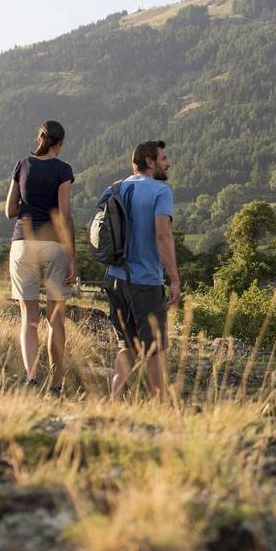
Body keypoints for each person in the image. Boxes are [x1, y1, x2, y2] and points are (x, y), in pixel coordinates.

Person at [100, 140, 178, 400]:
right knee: (155, 348)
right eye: (163, 158)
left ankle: (115, 401)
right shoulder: (160, 191)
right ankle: (159, 406)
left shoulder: (114, 188)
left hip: (114, 278)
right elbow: (162, 236)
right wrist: (174, 279)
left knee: (127, 345)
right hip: (145, 281)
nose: (167, 163)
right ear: (149, 162)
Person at [5, 120, 77, 394]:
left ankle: (31, 377)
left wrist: (28, 204)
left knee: (29, 318)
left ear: (39, 139)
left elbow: (10, 211)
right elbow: (64, 215)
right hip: (54, 245)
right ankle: (56, 384)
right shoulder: (63, 170)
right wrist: (72, 256)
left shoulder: (22, 165)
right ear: (61, 143)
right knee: (55, 319)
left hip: (22, 243)